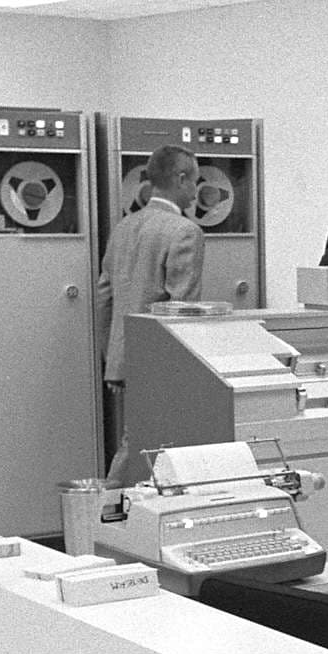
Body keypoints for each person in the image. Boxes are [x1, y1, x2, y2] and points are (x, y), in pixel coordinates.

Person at [96, 144, 203, 486]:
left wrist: (114, 359)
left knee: (138, 443)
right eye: (195, 181)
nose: (196, 191)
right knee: (148, 448)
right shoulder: (185, 231)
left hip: (126, 361)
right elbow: (181, 309)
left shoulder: (124, 227)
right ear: (181, 178)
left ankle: (114, 517)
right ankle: (104, 515)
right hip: (163, 366)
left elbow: (104, 298)